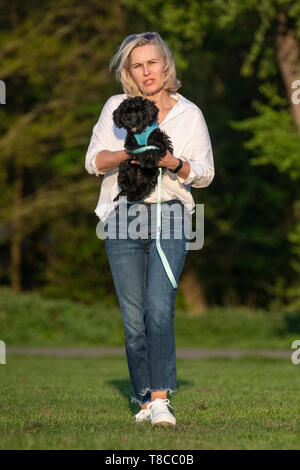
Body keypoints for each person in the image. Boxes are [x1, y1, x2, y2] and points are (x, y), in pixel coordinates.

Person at [84, 32, 214, 427]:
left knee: (160, 309)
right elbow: (94, 161)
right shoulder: (115, 107)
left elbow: (205, 174)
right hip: (122, 214)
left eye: (152, 62)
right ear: (129, 72)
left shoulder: (188, 114)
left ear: (165, 64)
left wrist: (172, 162)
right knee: (133, 318)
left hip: (171, 213)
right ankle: (142, 400)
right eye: (137, 65)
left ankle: (161, 398)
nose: (146, 71)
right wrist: (133, 152)